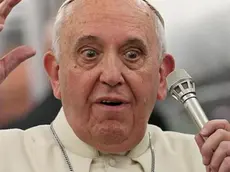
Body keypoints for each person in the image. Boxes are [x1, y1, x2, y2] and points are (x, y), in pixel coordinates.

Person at [1, 0, 230, 172]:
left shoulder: (206, 161)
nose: (111, 76)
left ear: (161, 76)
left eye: (132, 54)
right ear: (56, 74)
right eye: (89, 54)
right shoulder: (7, 155)